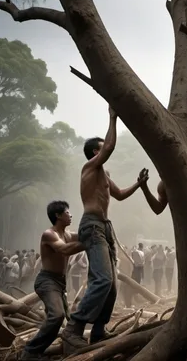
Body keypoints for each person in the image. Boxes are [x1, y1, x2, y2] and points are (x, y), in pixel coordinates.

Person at [61, 106, 149, 353]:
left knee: (111, 285)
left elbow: (119, 194)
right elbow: (110, 147)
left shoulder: (104, 174)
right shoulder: (89, 167)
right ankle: (73, 329)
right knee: (103, 280)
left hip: (105, 228)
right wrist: (113, 117)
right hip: (92, 226)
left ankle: (98, 332)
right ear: (95, 152)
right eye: (102, 147)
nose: (106, 149)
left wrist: (139, 184)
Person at [21, 201, 84, 361]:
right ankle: (30, 352)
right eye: (68, 212)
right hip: (47, 281)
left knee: (60, 319)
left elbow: (84, 234)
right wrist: (87, 243)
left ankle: (39, 352)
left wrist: (96, 230)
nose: (71, 215)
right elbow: (63, 249)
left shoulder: (68, 234)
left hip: (60, 283)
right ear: (58, 215)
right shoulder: (49, 234)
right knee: (57, 315)